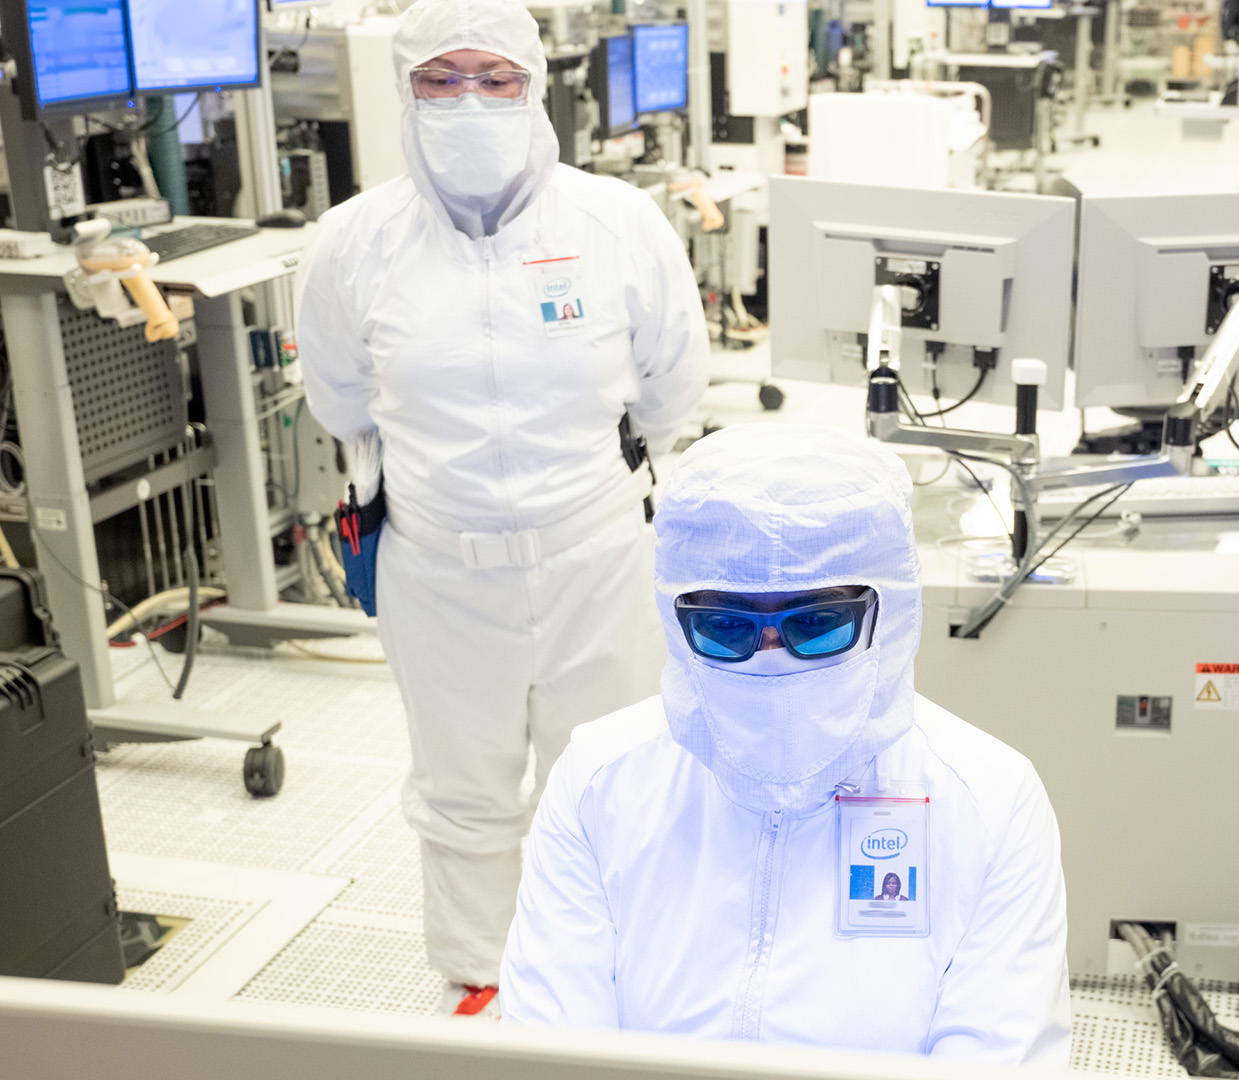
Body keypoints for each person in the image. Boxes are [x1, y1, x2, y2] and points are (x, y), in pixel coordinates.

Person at [296, 0, 707, 1017]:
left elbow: (672, 389)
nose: (467, 99)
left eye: (493, 78)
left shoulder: (616, 224)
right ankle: (483, 972)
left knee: (607, 775)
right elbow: (341, 400)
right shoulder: (353, 244)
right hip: (438, 566)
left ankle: (612, 965)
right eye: (441, 79)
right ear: (405, 93)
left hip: (599, 555)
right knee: (462, 785)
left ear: (533, 87)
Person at [500, 425, 1071, 1065]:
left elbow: (998, 1061)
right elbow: (547, 1053)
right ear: (675, 619)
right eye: (725, 625)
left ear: (890, 614)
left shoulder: (990, 803)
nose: (771, 662)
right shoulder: (600, 782)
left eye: (816, 623)